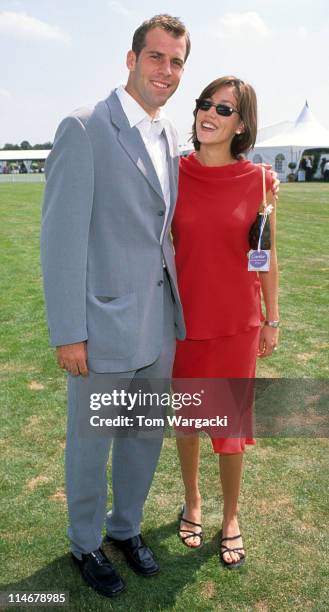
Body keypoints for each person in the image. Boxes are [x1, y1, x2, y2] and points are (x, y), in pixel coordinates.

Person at [41, 14, 190, 598]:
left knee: (143, 436)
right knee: (92, 442)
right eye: (157, 57)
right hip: (101, 325)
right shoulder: (85, 126)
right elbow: (61, 240)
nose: (167, 71)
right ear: (131, 60)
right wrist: (68, 333)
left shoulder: (170, 133)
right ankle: (84, 543)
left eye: (177, 61)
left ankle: (125, 529)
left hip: (158, 324)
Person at [172, 77, 279, 569]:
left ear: (241, 124)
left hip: (238, 324)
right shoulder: (173, 173)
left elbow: (265, 256)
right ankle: (193, 503)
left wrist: (271, 318)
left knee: (230, 427)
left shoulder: (259, 180)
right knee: (190, 421)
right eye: (204, 104)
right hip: (182, 323)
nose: (208, 113)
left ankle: (230, 517)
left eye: (223, 108)